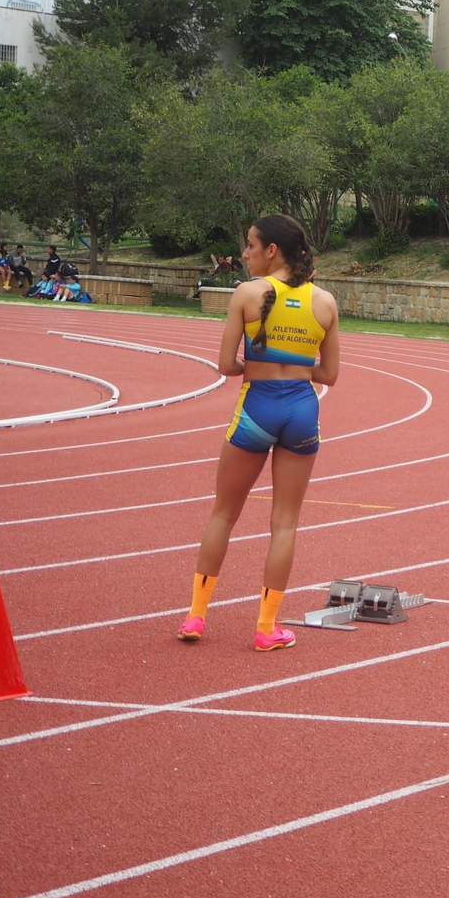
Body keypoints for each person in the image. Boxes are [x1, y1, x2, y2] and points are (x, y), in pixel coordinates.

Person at [176, 215, 340, 652]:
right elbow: (330, 375)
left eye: (250, 245)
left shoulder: (246, 294)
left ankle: (196, 616)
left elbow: (226, 365)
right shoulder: (325, 301)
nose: (245, 253)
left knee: (223, 515)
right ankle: (267, 629)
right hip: (302, 410)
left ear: (272, 250)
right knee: (285, 523)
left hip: (256, 408)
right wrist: (295, 367)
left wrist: (262, 366)